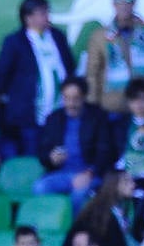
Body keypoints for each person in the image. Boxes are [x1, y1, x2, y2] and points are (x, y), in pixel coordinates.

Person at [0, 0, 76, 158]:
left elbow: (69, 65)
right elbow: (3, 75)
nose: (47, 16)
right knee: (33, 156)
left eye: (47, 12)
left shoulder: (57, 36)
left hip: (60, 111)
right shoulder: (14, 41)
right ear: (28, 18)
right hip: (31, 115)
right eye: (42, 13)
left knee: (60, 154)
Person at [34, 76, 115, 211]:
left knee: (78, 195)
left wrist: (89, 173)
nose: (70, 104)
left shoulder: (97, 117)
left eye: (75, 98)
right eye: (66, 98)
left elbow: (105, 151)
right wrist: (51, 158)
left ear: (84, 97)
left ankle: (75, 230)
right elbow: (42, 151)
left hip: (89, 173)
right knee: (40, 187)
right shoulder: (54, 118)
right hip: (61, 173)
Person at [72, 170, 139, 246]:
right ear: (114, 185)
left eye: (132, 181)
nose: (133, 185)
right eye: (127, 182)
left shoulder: (127, 205)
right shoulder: (101, 212)